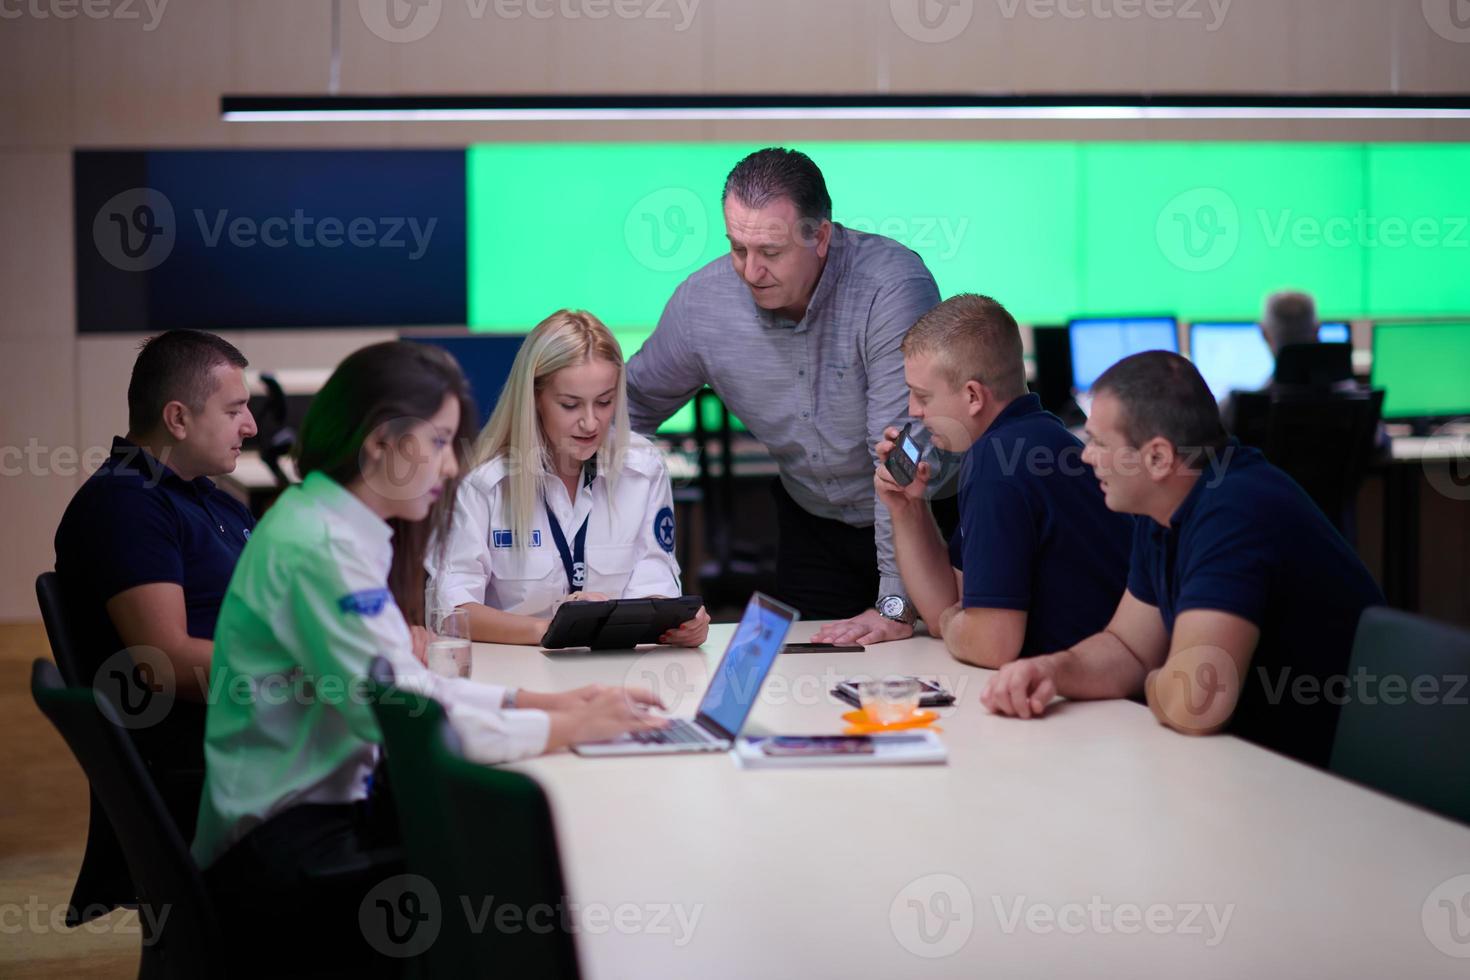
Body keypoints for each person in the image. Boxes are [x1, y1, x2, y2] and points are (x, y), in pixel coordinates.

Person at [193, 341, 667, 973]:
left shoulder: (325, 525)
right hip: (284, 852)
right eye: (439, 442)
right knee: (531, 875)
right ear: (380, 446)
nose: (450, 469)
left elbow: (408, 686)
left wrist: (542, 701)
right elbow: (407, 719)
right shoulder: (321, 549)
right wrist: (566, 727)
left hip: (304, 819)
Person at [981, 351, 1385, 769]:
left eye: (1099, 442)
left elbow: (1195, 701)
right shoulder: (1164, 508)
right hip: (1261, 763)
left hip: (1339, 783)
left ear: (1157, 457)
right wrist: (1050, 671)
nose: (1086, 456)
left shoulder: (1234, 512)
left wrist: (1160, 678)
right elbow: (1128, 650)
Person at [625, 147, 941, 643]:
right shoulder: (702, 305)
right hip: (813, 525)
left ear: (821, 237)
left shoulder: (890, 287)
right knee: (814, 681)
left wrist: (896, 603)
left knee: (924, 684)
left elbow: (901, 452)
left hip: (928, 520)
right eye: (737, 249)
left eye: (771, 253)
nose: (751, 272)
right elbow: (629, 406)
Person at [54, 328, 258, 842]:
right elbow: (165, 663)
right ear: (178, 419)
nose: (251, 426)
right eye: (234, 410)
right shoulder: (127, 505)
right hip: (216, 767)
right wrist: (311, 666)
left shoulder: (211, 501)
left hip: (256, 737)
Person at [869, 294, 1132, 664]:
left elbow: (989, 643)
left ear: (974, 395)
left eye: (922, 395)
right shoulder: (1035, 439)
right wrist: (907, 507)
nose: (914, 410)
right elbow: (946, 603)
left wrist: (951, 620)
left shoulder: (997, 464)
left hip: (1086, 703)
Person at [431, 310, 710, 646]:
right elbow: (451, 611)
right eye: (570, 405)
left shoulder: (644, 468)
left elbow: (655, 583)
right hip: (515, 675)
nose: (591, 423)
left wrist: (678, 624)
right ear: (534, 399)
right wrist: (549, 629)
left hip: (617, 671)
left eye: (605, 402)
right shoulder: (482, 481)